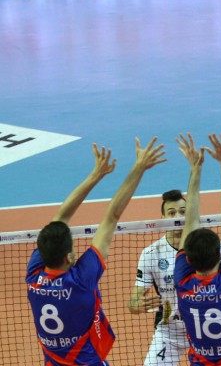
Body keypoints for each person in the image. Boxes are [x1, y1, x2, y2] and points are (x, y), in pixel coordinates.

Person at [26, 138, 166, 366]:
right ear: (68, 257)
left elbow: (60, 218)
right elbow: (112, 216)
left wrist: (96, 175)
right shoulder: (81, 280)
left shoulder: (34, 275)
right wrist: (136, 168)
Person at [129, 190, 221, 366]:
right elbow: (134, 301)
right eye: (172, 213)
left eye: (183, 212)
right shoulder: (150, 254)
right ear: (163, 218)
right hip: (170, 333)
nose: (178, 217)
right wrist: (135, 305)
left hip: (208, 334)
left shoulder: (209, 246)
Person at [174, 133, 221, 365]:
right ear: (220, 255)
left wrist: (195, 169)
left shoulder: (183, 283)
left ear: (188, 260)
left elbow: (190, 219)